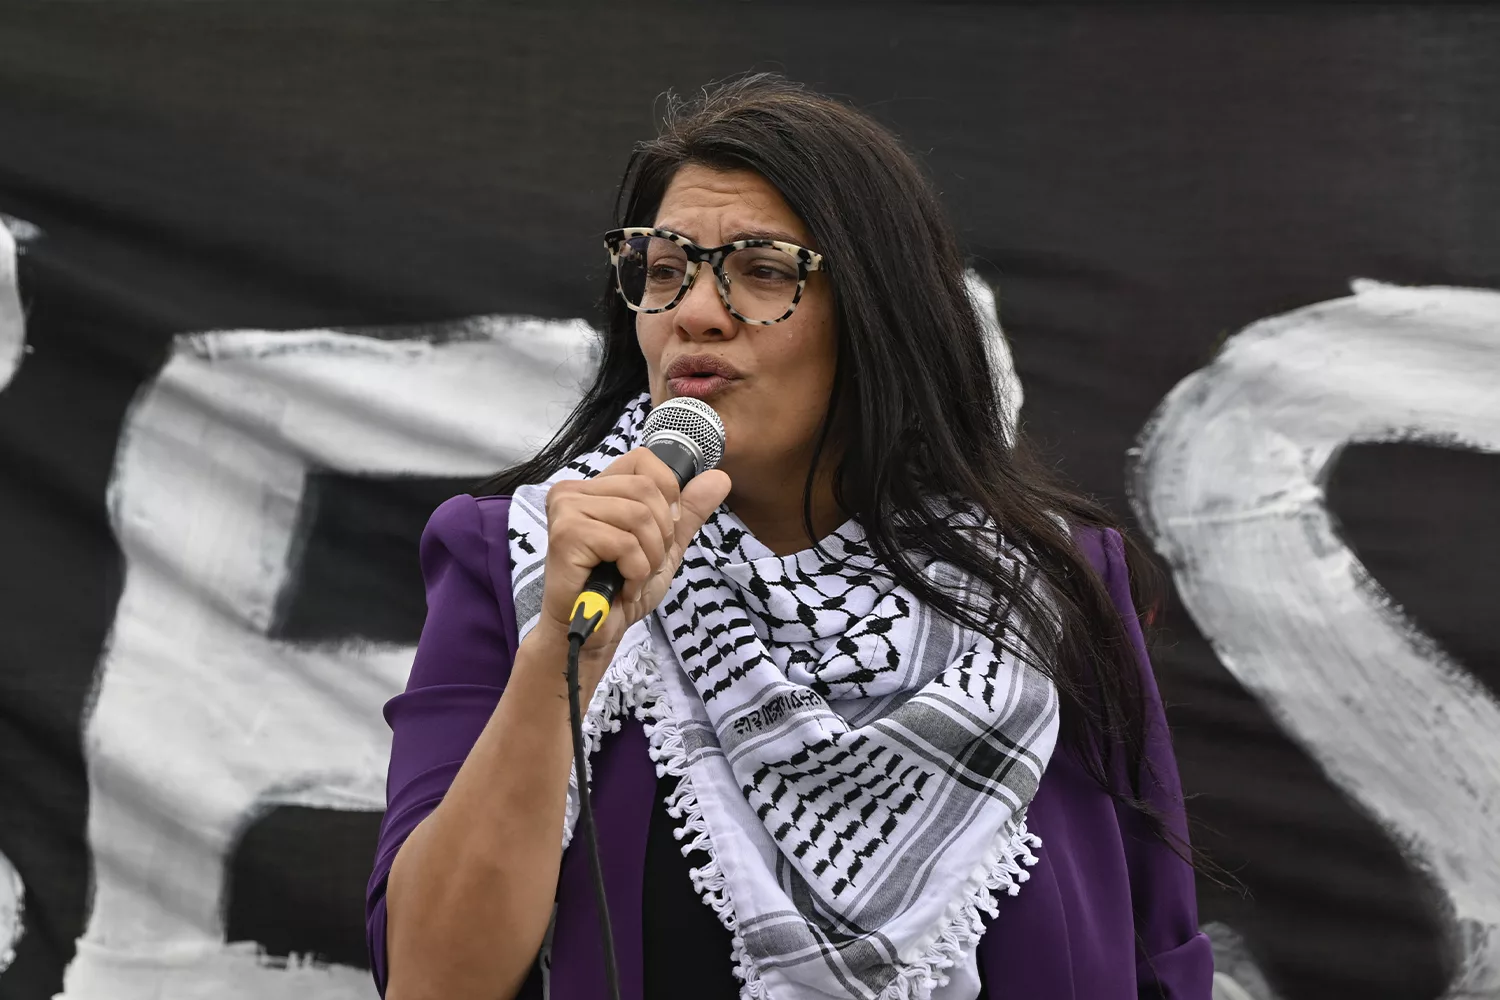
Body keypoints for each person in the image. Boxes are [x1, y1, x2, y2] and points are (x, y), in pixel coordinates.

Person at [365, 74, 1213, 1000]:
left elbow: (1159, 956)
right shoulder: (523, 560)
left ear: (881, 315)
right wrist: (566, 655)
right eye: (663, 267)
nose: (694, 310)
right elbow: (432, 980)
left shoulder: (1050, 580)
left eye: (763, 269)